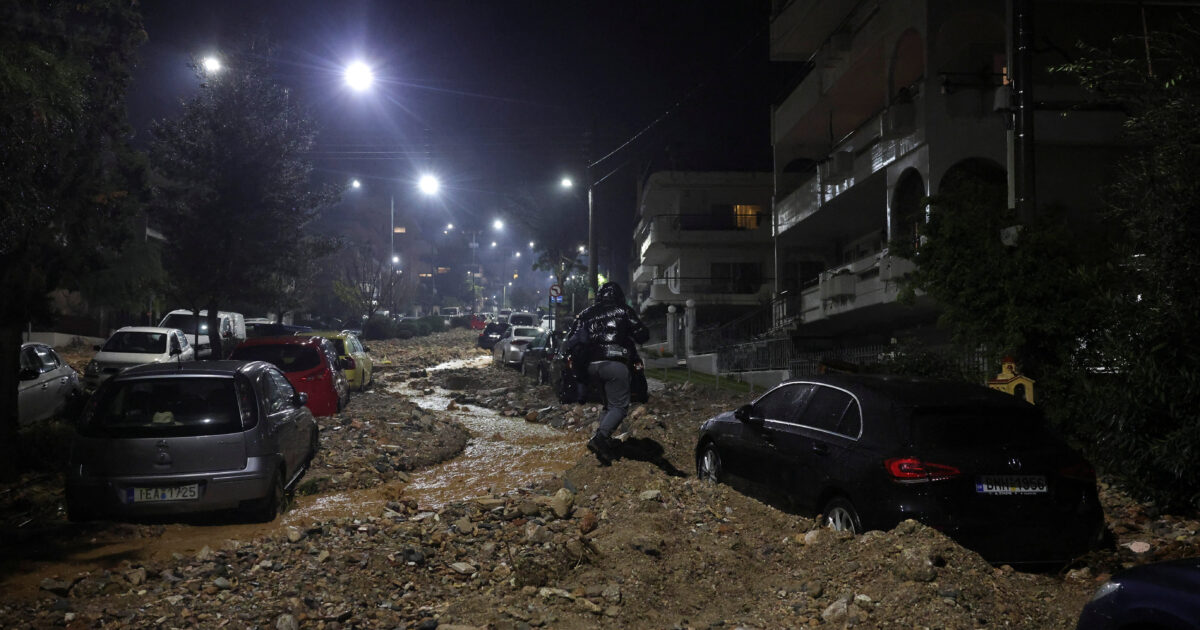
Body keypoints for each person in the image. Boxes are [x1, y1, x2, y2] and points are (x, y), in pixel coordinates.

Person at [564, 282, 650, 465]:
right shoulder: (623, 310)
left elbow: (572, 339)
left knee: (608, 405)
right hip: (615, 363)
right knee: (619, 407)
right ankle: (600, 438)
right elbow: (642, 334)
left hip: (591, 366)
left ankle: (602, 443)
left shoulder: (587, 313)